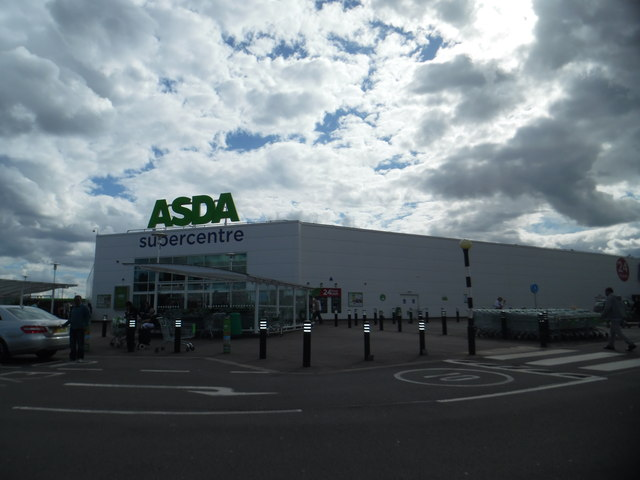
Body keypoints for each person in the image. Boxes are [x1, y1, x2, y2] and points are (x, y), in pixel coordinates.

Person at [602, 287, 636, 352]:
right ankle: (610, 345)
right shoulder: (618, 297)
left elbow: (607, 308)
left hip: (614, 317)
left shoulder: (610, 297)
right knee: (612, 332)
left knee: (619, 333)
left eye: (605, 292)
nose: (605, 293)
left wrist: (603, 315)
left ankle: (631, 344)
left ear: (608, 291)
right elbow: (623, 306)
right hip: (619, 316)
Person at [63, 295, 91, 362]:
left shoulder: (84, 308)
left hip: (80, 329)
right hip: (73, 328)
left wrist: (85, 325)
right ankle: (72, 357)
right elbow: (70, 318)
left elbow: (88, 317)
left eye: (78, 300)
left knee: (80, 344)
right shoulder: (72, 308)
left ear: (80, 300)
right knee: (72, 344)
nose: (76, 301)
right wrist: (64, 325)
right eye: (75, 300)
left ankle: (80, 357)